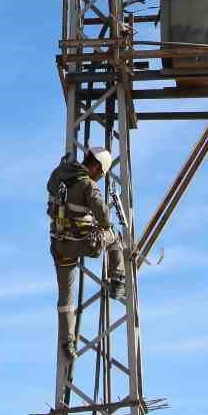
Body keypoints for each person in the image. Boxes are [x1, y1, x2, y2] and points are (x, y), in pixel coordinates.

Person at [47, 147, 127, 361]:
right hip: (82, 243)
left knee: (65, 297)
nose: (99, 178)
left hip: (59, 244)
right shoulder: (88, 185)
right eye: (100, 174)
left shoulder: (60, 174)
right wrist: (104, 224)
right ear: (96, 168)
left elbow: (51, 189)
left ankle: (68, 342)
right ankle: (117, 280)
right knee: (115, 238)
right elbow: (102, 215)